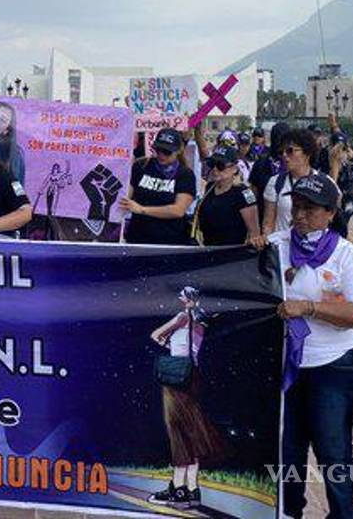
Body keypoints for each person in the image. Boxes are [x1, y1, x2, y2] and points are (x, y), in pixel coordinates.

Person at [271, 174, 353, 519]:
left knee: (333, 451)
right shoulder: (277, 245)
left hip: (333, 367)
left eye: (310, 209)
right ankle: (289, 512)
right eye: (296, 207)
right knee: (288, 448)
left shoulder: (349, 258)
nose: (300, 215)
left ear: (330, 213)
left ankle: (342, 515)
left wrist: (310, 307)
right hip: (286, 366)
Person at [146, 287, 229, 509]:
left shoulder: (183, 317)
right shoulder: (202, 322)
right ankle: (191, 489)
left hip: (176, 378)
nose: (180, 299)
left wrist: (169, 345)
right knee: (191, 432)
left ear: (189, 300)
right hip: (193, 377)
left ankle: (179, 490)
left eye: (183, 296)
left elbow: (155, 334)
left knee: (178, 432)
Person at [119, 128, 197, 246]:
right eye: (158, 149)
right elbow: (125, 197)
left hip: (170, 241)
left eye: (167, 151)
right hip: (137, 238)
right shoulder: (141, 166)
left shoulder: (185, 174)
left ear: (178, 151)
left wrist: (142, 209)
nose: (161, 155)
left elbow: (178, 210)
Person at [191, 146, 261, 247]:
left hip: (232, 253)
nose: (215, 169)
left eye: (220, 166)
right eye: (212, 164)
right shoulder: (210, 187)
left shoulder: (243, 193)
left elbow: (254, 232)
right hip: (208, 248)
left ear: (234, 168)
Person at [262, 128, 326, 236]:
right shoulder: (276, 182)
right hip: (284, 248)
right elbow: (268, 223)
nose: (284, 156)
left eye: (290, 151)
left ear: (307, 152)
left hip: (315, 250)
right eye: (281, 152)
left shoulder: (324, 182)